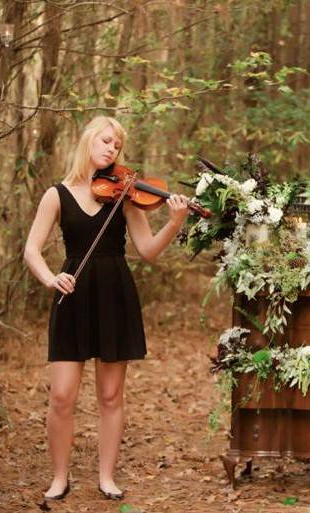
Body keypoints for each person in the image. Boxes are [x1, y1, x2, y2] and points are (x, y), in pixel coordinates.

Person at [23, 116, 190, 501]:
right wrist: (51, 278)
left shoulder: (125, 194)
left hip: (115, 294)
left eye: (116, 145)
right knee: (62, 396)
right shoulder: (57, 195)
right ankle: (59, 477)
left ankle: (106, 477)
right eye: (106, 141)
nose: (111, 149)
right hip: (73, 293)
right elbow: (32, 249)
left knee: (111, 396)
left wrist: (175, 221)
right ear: (88, 141)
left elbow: (148, 250)